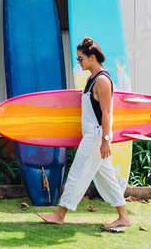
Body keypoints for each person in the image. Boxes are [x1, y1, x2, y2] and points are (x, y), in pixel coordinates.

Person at [37, 37, 131, 228]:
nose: (78, 62)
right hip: (93, 133)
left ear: (92, 57)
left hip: (96, 136)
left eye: (80, 59)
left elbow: (107, 113)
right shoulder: (91, 78)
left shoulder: (103, 80)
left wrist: (106, 140)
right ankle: (124, 217)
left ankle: (60, 214)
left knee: (77, 173)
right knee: (107, 175)